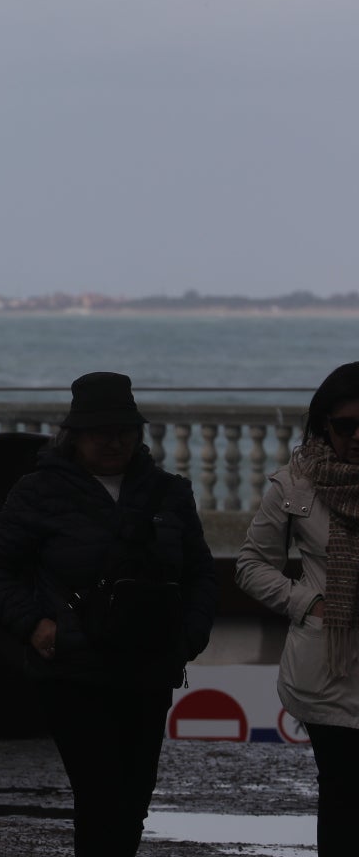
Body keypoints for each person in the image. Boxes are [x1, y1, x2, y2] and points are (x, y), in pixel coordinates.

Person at [0, 371, 216, 857]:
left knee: (132, 800)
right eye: (102, 430)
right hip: (74, 671)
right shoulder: (39, 491)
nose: (115, 439)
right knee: (100, 794)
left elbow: (200, 574)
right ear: (75, 434)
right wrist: (36, 625)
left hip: (148, 669)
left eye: (125, 429)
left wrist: (187, 637)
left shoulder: (169, 492)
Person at [236, 361, 359, 853]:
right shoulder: (296, 483)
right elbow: (250, 565)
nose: (357, 437)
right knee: (343, 798)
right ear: (322, 425)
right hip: (327, 672)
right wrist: (311, 603)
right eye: (345, 426)